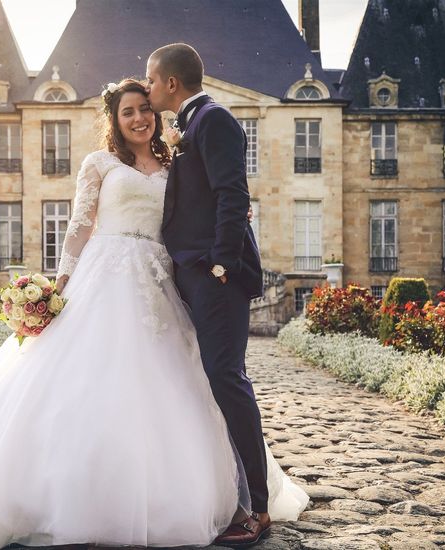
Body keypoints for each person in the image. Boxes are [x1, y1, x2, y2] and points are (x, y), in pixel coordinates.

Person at [0, 78, 306, 550]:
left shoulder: (175, 163)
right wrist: (59, 285)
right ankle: (62, 493)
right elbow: (77, 225)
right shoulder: (99, 163)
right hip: (105, 271)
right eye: (128, 112)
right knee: (81, 377)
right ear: (114, 121)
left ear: (157, 113)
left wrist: (237, 220)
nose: (139, 118)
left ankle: (183, 489)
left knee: (169, 381)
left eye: (145, 109)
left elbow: (206, 203)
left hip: (160, 277)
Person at [146, 43, 272, 546]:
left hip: (214, 274)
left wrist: (222, 263)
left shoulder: (214, 119)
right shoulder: (192, 125)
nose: (148, 87)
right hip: (193, 273)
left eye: (151, 81)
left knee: (226, 377)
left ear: (171, 83)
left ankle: (259, 508)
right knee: (209, 381)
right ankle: (228, 493)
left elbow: (232, 192)